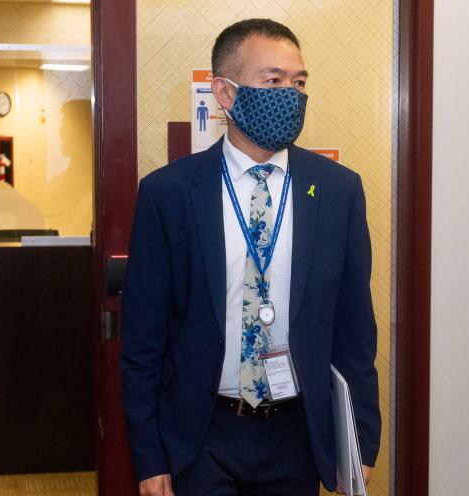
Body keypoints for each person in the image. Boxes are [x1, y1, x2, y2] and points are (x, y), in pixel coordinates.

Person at [121, 18, 381, 496]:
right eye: (273, 81)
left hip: (297, 434)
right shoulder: (169, 193)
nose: (292, 94)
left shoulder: (338, 190)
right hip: (201, 435)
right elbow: (142, 340)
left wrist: (360, 439)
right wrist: (148, 455)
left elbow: (355, 330)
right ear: (225, 92)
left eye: (299, 82)